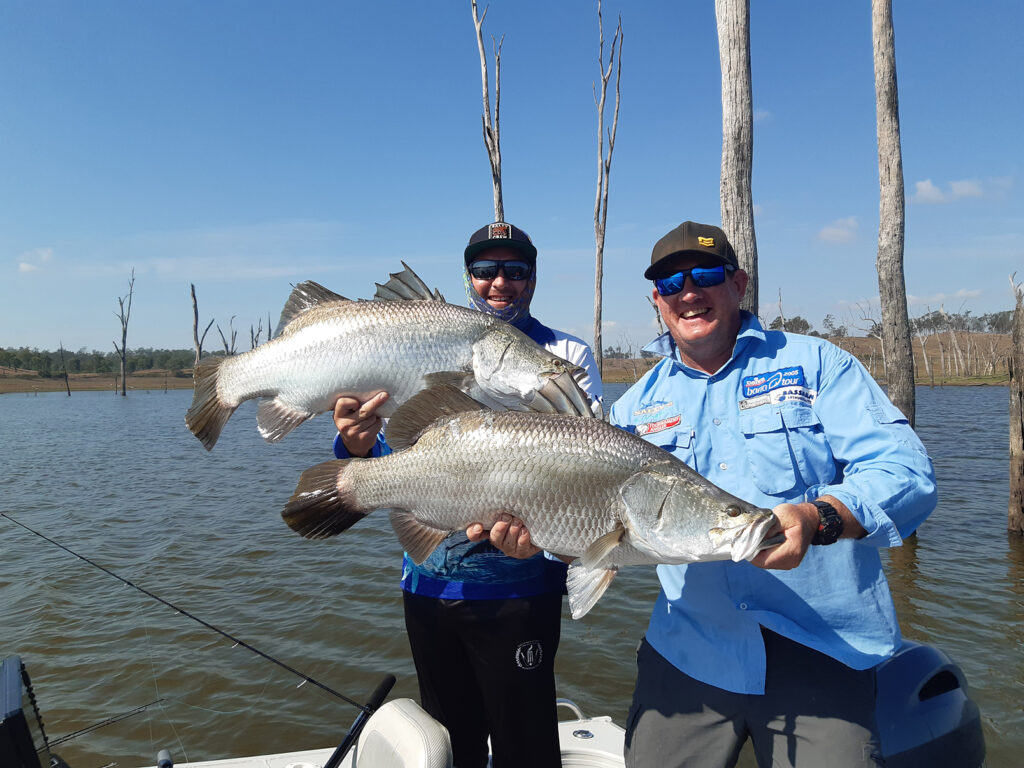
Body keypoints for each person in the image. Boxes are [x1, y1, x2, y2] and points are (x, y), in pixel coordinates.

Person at [479, 221, 937, 768]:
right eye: (671, 284)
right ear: (657, 300)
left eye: (706, 275)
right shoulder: (630, 410)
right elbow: (596, 535)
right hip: (689, 651)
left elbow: (906, 470)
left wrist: (821, 518)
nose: (689, 292)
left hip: (824, 647)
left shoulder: (818, 365)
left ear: (739, 283)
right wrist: (542, 541)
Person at [331, 221, 603, 768]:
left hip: (521, 590)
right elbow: (392, 457)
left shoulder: (565, 355)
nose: (500, 281)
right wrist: (353, 446)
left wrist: (550, 544)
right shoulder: (416, 343)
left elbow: (593, 471)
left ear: (532, 277)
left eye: (515, 269)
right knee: (452, 743)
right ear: (467, 277)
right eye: (485, 270)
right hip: (428, 584)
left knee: (526, 745)